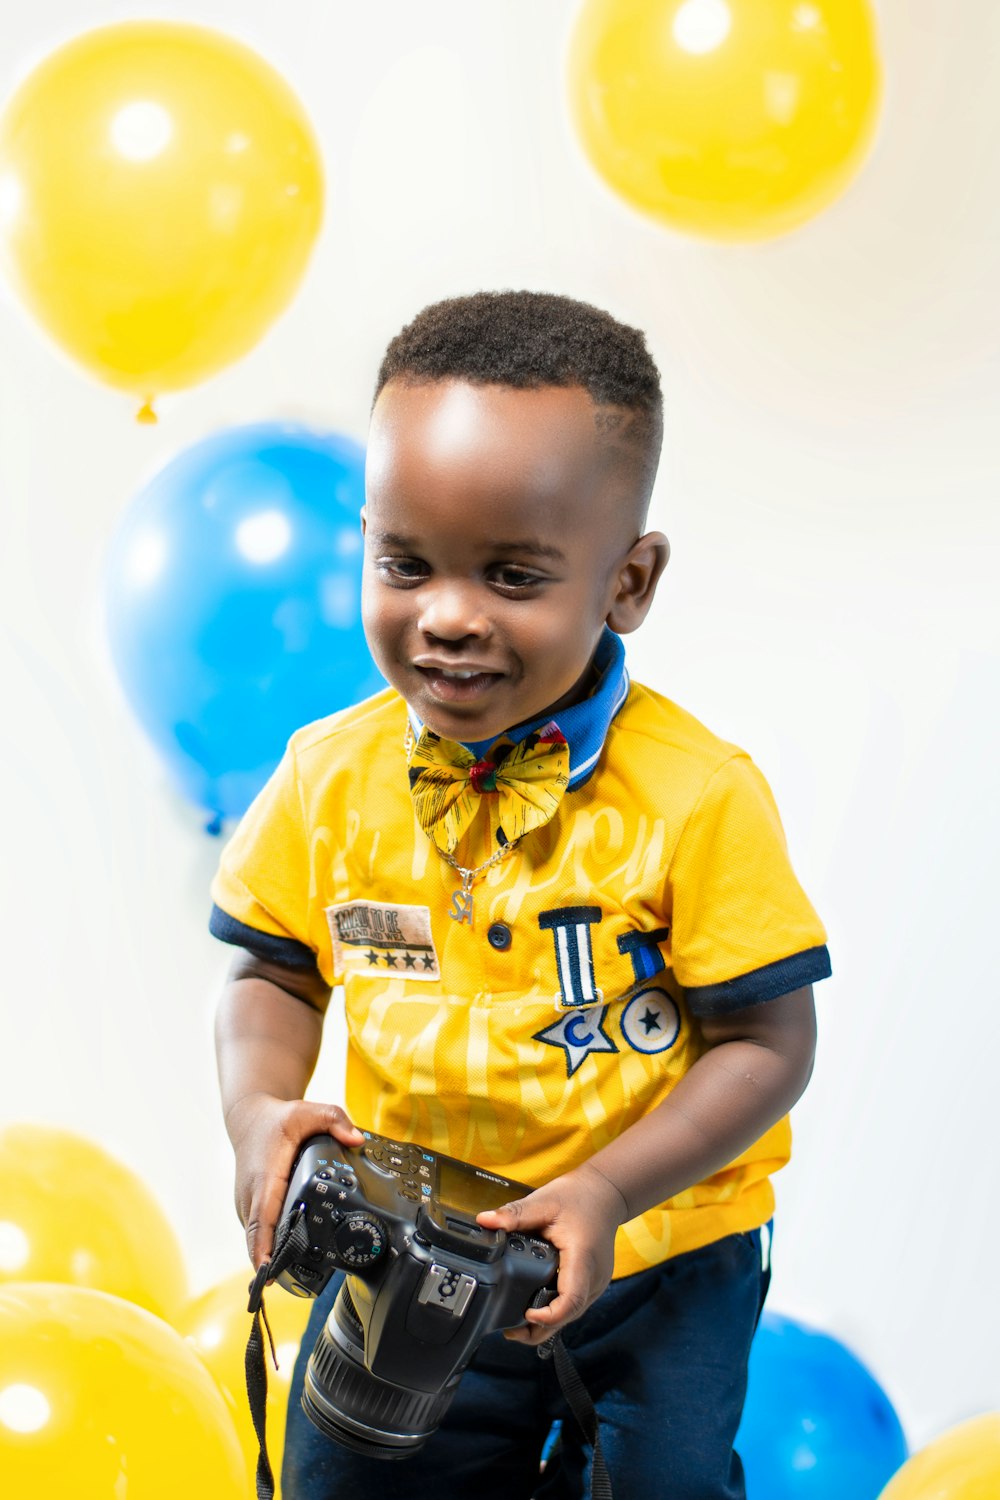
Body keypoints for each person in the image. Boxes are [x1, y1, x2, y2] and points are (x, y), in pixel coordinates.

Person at [211, 290, 831, 1500]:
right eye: (405, 564)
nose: (448, 617)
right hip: (409, 1248)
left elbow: (768, 1040)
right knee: (343, 1482)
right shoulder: (327, 777)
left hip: (658, 1260)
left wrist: (607, 1190)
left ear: (628, 581)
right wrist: (257, 1113)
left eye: (511, 575)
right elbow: (271, 968)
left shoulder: (697, 798)